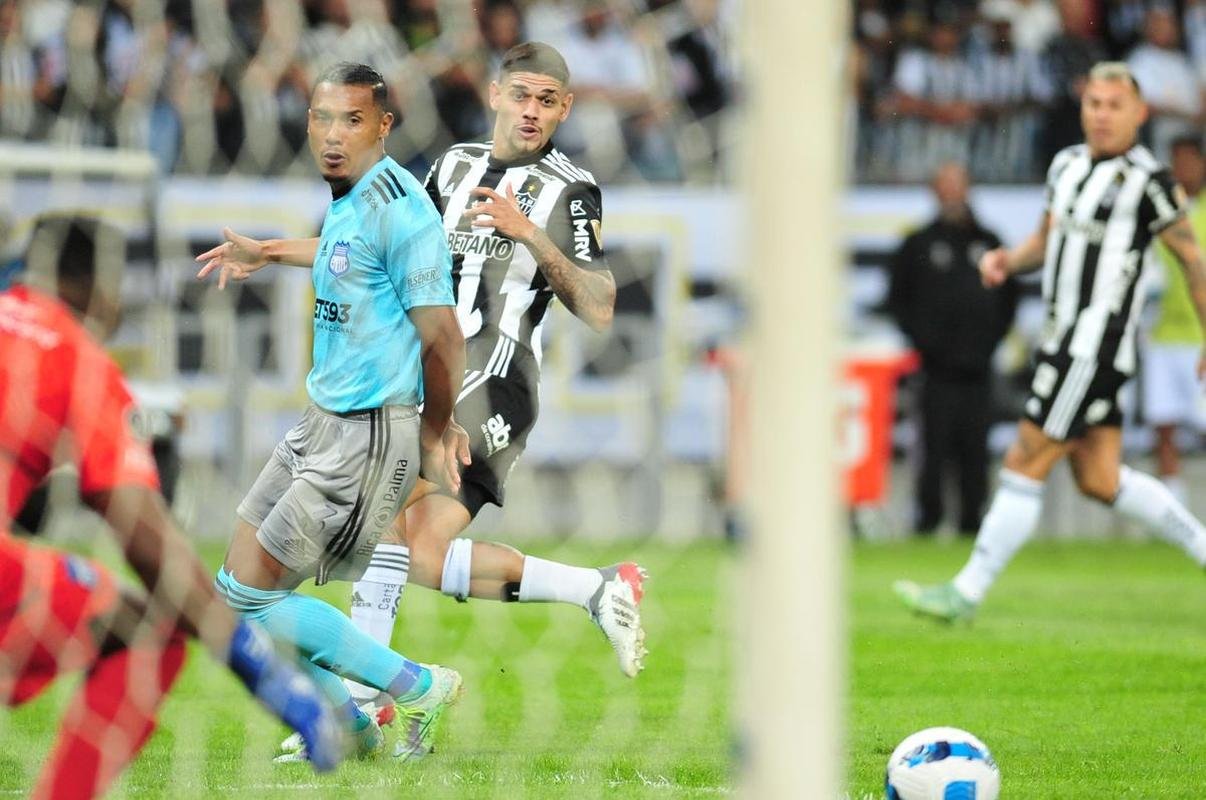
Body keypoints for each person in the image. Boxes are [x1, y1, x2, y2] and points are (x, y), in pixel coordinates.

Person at [194, 44, 648, 706]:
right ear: (494, 93)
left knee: (379, 518)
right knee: (422, 555)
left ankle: (362, 701)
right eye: (521, 94)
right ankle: (597, 588)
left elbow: (601, 306)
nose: (531, 111)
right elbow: (379, 246)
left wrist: (529, 234)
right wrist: (269, 251)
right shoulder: (454, 167)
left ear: (565, 109)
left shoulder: (569, 189)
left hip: (494, 377)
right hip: (425, 369)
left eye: (547, 101)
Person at [0, 213, 343, 798]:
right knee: (146, 636)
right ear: (96, 284)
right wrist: (259, 670)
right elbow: (150, 546)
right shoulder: (77, 359)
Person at [195, 62, 468, 763]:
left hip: (370, 435)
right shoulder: (353, 199)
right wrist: (270, 251)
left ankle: (416, 685)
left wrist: (435, 434)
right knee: (234, 587)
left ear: (384, 125)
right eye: (322, 118)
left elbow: (444, 335)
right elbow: (347, 258)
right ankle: (348, 727)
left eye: (352, 119)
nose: (333, 135)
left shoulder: (403, 208)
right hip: (320, 420)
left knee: (251, 600)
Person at [894, 62, 1206, 622]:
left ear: (1139, 113)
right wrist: (1008, 261)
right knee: (1099, 478)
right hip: (1062, 340)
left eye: (1115, 105)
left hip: (1095, 347)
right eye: (1094, 103)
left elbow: (1192, 260)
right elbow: (1046, 238)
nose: (1103, 115)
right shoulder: (1065, 166)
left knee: (1024, 456)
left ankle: (966, 591)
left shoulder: (1150, 183)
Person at [888, 162, 1018, 535]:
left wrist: (988, 342)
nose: (951, 193)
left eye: (957, 184)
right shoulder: (918, 244)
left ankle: (973, 523)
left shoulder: (989, 241)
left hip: (978, 368)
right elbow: (898, 300)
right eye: (944, 185)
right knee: (932, 448)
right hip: (934, 369)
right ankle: (928, 522)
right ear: (934, 191)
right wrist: (924, 342)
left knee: (976, 449)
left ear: (969, 188)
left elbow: (1008, 298)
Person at [1143, 135, 1206, 503]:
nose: (1181, 169)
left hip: (1199, 338)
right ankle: (1174, 515)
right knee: (1163, 429)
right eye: (1175, 161)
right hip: (1162, 337)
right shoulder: (1158, 212)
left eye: (1188, 160)